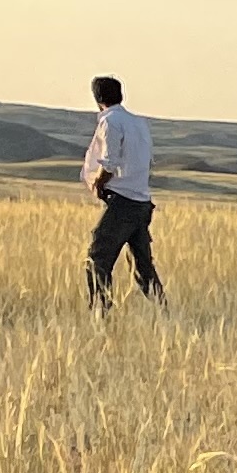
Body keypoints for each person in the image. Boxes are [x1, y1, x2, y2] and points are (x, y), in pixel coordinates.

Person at [80, 74, 164, 309]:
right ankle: (162, 312)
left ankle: (100, 312)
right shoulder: (139, 123)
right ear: (121, 95)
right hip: (141, 200)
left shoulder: (110, 122)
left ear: (97, 98)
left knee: (98, 256)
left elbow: (110, 161)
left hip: (122, 201)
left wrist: (98, 184)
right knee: (143, 265)